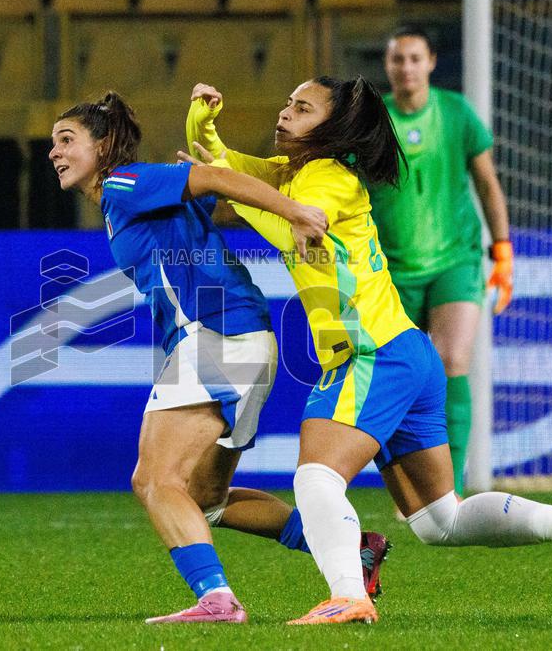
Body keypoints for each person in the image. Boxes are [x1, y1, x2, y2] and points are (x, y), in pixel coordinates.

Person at [183, 76, 552, 625]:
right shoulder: (293, 173)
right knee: (442, 522)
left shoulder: (326, 178)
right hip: (405, 351)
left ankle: (347, 592)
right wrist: (203, 122)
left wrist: (234, 191)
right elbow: (227, 168)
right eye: (286, 102)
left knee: (315, 477)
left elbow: (297, 221)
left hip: (371, 355)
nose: (284, 113)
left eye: (302, 108)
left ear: (333, 129)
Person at [49, 92, 389, 625]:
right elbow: (206, 187)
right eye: (53, 143)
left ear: (104, 146)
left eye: (67, 140)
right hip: (244, 343)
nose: (54, 152)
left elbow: (211, 180)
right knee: (205, 498)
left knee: (154, 480)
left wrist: (295, 210)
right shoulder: (134, 196)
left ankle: (217, 600)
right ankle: (353, 548)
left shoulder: (123, 183)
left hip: (215, 337)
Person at [367, 26, 512, 495]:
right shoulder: (373, 122)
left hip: (456, 259)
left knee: (452, 359)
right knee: (398, 374)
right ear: (388, 67)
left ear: (430, 62)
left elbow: (487, 183)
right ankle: (409, 487)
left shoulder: (456, 113)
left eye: (414, 58)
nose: (406, 68)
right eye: (397, 60)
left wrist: (502, 251)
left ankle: (450, 487)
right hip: (391, 269)